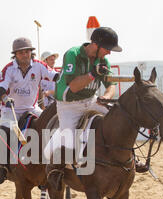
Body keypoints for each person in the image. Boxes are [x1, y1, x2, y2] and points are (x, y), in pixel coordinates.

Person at [45, 27, 121, 190]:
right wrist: (93, 73)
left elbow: (111, 85)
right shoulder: (72, 54)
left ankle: (130, 160)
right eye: (107, 49)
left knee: (119, 123)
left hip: (91, 101)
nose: (109, 53)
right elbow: (73, 86)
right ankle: (55, 170)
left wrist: (106, 97)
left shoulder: (103, 61)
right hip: (68, 105)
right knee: (69, 143)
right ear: (96, 45)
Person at [0, 37, 59, 184]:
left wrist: (67, 80)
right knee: (5, 130)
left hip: (31, 108)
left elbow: (55, 76)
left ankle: (55, 163)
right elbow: (2, 88)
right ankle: (1, 165)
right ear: (15, 54)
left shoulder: (39, 66)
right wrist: (4, 98)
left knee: (50, 125)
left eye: (27, 52)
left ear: (31, 53)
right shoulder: (9, 68)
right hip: (11, 108)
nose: (24, 55)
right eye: (21, 52)